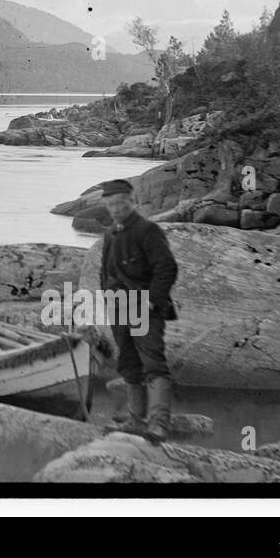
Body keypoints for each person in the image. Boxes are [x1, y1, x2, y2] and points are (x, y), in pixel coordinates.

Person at [99, 178, 178, 441]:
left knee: (153, 364)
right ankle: (135, 420)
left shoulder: (148, 230)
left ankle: (158, 424)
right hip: (120, 309)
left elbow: (167, 268)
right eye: (111, 204)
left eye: (121, 203)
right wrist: (109, 298)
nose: (116, 209)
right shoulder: (110, 234)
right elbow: (106, 274)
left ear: (133, 202)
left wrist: (152, 301)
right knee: (129, 363)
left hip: (146, 309)